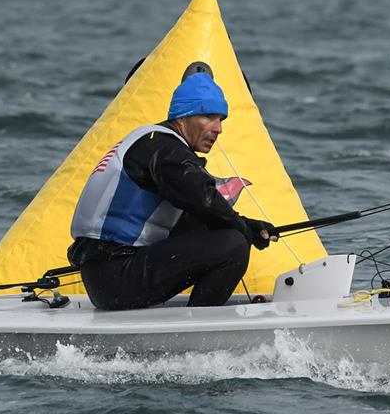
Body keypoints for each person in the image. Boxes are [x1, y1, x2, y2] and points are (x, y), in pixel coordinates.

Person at [67, 70, 276, 310]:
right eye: (208, 116)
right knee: (234, 244)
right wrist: (242, 230)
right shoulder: (164, 149)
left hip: (106, 275)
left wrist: (249, 225)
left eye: (221, 120)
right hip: (115, 278)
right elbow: (204, 198)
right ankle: (199, 332)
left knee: (219, 228)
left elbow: (200, 214)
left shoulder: (151, 139)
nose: (218, 129)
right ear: (182, 118)